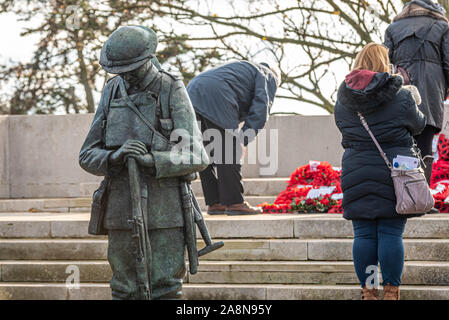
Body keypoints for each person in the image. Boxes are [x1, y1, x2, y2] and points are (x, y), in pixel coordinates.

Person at [79, 26, 208, 299]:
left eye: (131, 69)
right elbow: (87, 154)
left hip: (165, 210)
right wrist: (115, 157)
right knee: (123, 289)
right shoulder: (112, 90)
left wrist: (152, 159)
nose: (125, 76)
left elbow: (197, 155)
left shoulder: (170, 87)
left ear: (148, 59)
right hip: (121, 207)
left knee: (165, 288)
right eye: (120, 70)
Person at [334, 43, 426, 300]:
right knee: (390, 232)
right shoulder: (401, 94)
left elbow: (342, 127)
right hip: (395, 171)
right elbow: (418, 125)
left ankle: (369, 290)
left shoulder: (343, 98)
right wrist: (414, 99)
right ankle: (391, 291)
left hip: (356, 170)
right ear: (384, 63)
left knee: (363, 234)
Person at [187, 60, 279, 215]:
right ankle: (235, 203)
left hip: (191, 91)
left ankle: (215, 203)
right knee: (229, 151)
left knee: (206, 152)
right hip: (217, 95)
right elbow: (260, 109)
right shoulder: (268, 74)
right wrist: (243, 140)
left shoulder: (243, 70)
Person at [384, 0, 449, 184]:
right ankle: (421, 197)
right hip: (430, 91)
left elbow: (384, 63)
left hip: (400, 91)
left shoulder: (393, 27)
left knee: (402, 143)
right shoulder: (442, 26)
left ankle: (404, 194)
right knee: (425, 143)